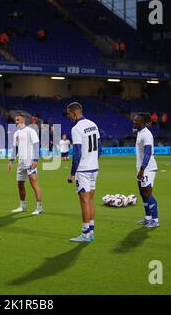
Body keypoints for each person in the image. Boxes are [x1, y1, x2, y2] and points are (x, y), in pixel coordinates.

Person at [66, 102, 101, 243]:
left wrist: (72, 173)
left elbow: (77, 153)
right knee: (90, 200)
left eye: (69, 114)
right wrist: (94, 161)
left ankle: (85, 234)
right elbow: (100, 147)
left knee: (84, 201)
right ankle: (91, 231)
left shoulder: (76, 128)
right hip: (94, 167)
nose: (68, 117)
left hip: (83, 169)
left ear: (74, 113)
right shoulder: (93, 124)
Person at [8, 114, 43, 215]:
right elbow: (15, 149)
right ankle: (22, 206)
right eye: (15, 120)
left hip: (30, 163)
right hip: (21, 163)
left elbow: (36, 145)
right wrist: (11, 160)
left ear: (23, 120)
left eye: (18, 120)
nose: (16, 122)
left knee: (34, 184)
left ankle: (39, 207)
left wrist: (35, 160)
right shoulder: (16, 134)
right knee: (20, 184)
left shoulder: (30, 131)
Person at [134, 113, 159, 228]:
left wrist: (142, 170)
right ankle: (148, 218)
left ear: (143, 123)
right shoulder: (139, 133)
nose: (134, 122)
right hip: (141, 168)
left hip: (147, 168)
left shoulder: (147, 135)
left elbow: (148, 153)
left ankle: (155, 220)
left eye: (137, 121)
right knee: (142, 193)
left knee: (147, 193)